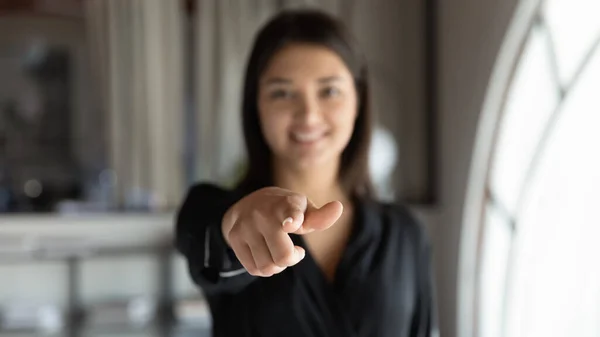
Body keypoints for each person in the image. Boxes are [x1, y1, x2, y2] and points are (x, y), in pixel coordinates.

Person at [175, 9, 437, 337]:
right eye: (282, 93)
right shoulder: (216, 212)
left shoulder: (404, 235)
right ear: (256, 107)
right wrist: (234, 224)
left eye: (329, 91)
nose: (309, 115)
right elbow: (209, 239)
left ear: (358, 102)